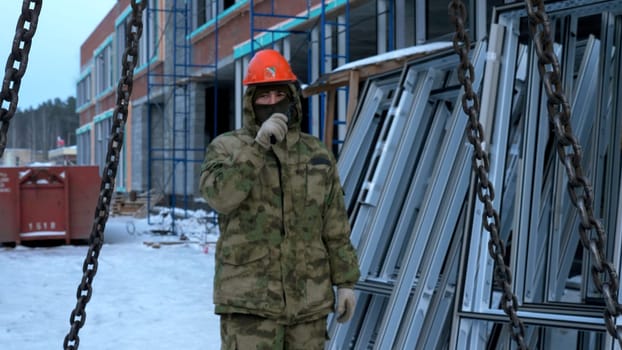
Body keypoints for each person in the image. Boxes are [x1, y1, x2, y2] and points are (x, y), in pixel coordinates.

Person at [199, 49, 360, 350]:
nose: (272, 103)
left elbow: (335, 225)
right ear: (250, 101)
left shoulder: (317, 154)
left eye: (279, 94)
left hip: (308, 305)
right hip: (250, 306)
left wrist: (346, 282)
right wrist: (259, 147)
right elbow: (221, 197)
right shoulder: (226, 148)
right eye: (264, 96)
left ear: (292, 97)